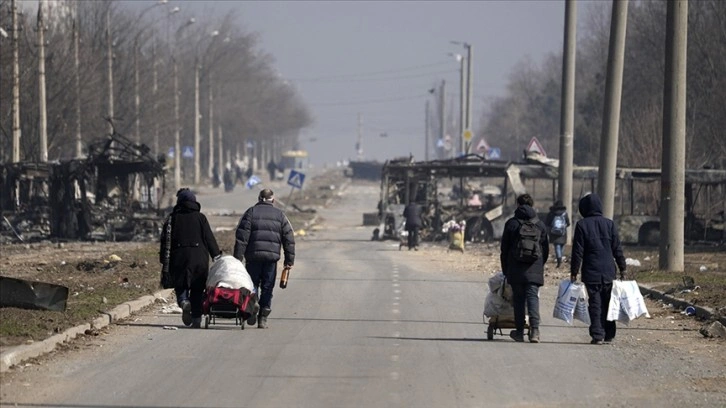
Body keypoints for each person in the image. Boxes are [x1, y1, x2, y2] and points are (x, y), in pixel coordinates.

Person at [570, 193, 627, 345]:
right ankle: (609, 333)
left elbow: (578, 252)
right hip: (608, 270)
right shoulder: (609, 224)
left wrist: (574, 272)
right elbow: (617, 249)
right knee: (609, 303)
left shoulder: (582, 225)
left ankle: (597, 335)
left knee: (595, 304)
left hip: (591, 271)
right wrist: (623, 268)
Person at [233, 189, 295, 328]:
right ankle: (263, 317)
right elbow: (288, 238)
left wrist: (237, 258)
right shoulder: (280, 215)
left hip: (253, 257)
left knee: (252, 284)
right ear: (273, 199)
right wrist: (289, 260)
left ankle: (253, 302)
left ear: (259, 198)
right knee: (268, 287)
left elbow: (242, 237)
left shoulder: (251, 212)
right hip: (271, 259)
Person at [160, 188, 221, 328]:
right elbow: (209, 238)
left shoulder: (172, 219)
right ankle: (196, 319)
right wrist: (216, 255)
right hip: (199, 258)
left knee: (181, 285)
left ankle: (183, 302)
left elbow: (165, 241)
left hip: (179, 257)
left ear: (179, 202)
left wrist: (164, 260)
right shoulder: (201, 218)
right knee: (198, 289)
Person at [500, 193, 549, 343]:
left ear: (518, 205)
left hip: (515, 268)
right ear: (532, 205)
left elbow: (504, 249)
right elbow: (545, 250)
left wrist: (506, 270)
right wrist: (539, 265)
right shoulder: (540, 224)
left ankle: (520, 332)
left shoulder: (511, 224)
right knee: (533, 298)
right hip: (534, 268)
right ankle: (535, 331)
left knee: (519, 300)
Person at [545, 200, 571, 268]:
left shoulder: (551, 213)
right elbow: (568, 223)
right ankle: (560, 258)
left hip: (554, 232)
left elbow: (547, 223)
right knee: (562, 245)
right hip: (563, 233)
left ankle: (559, 260)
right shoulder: (565, 214)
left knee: (557, 246)